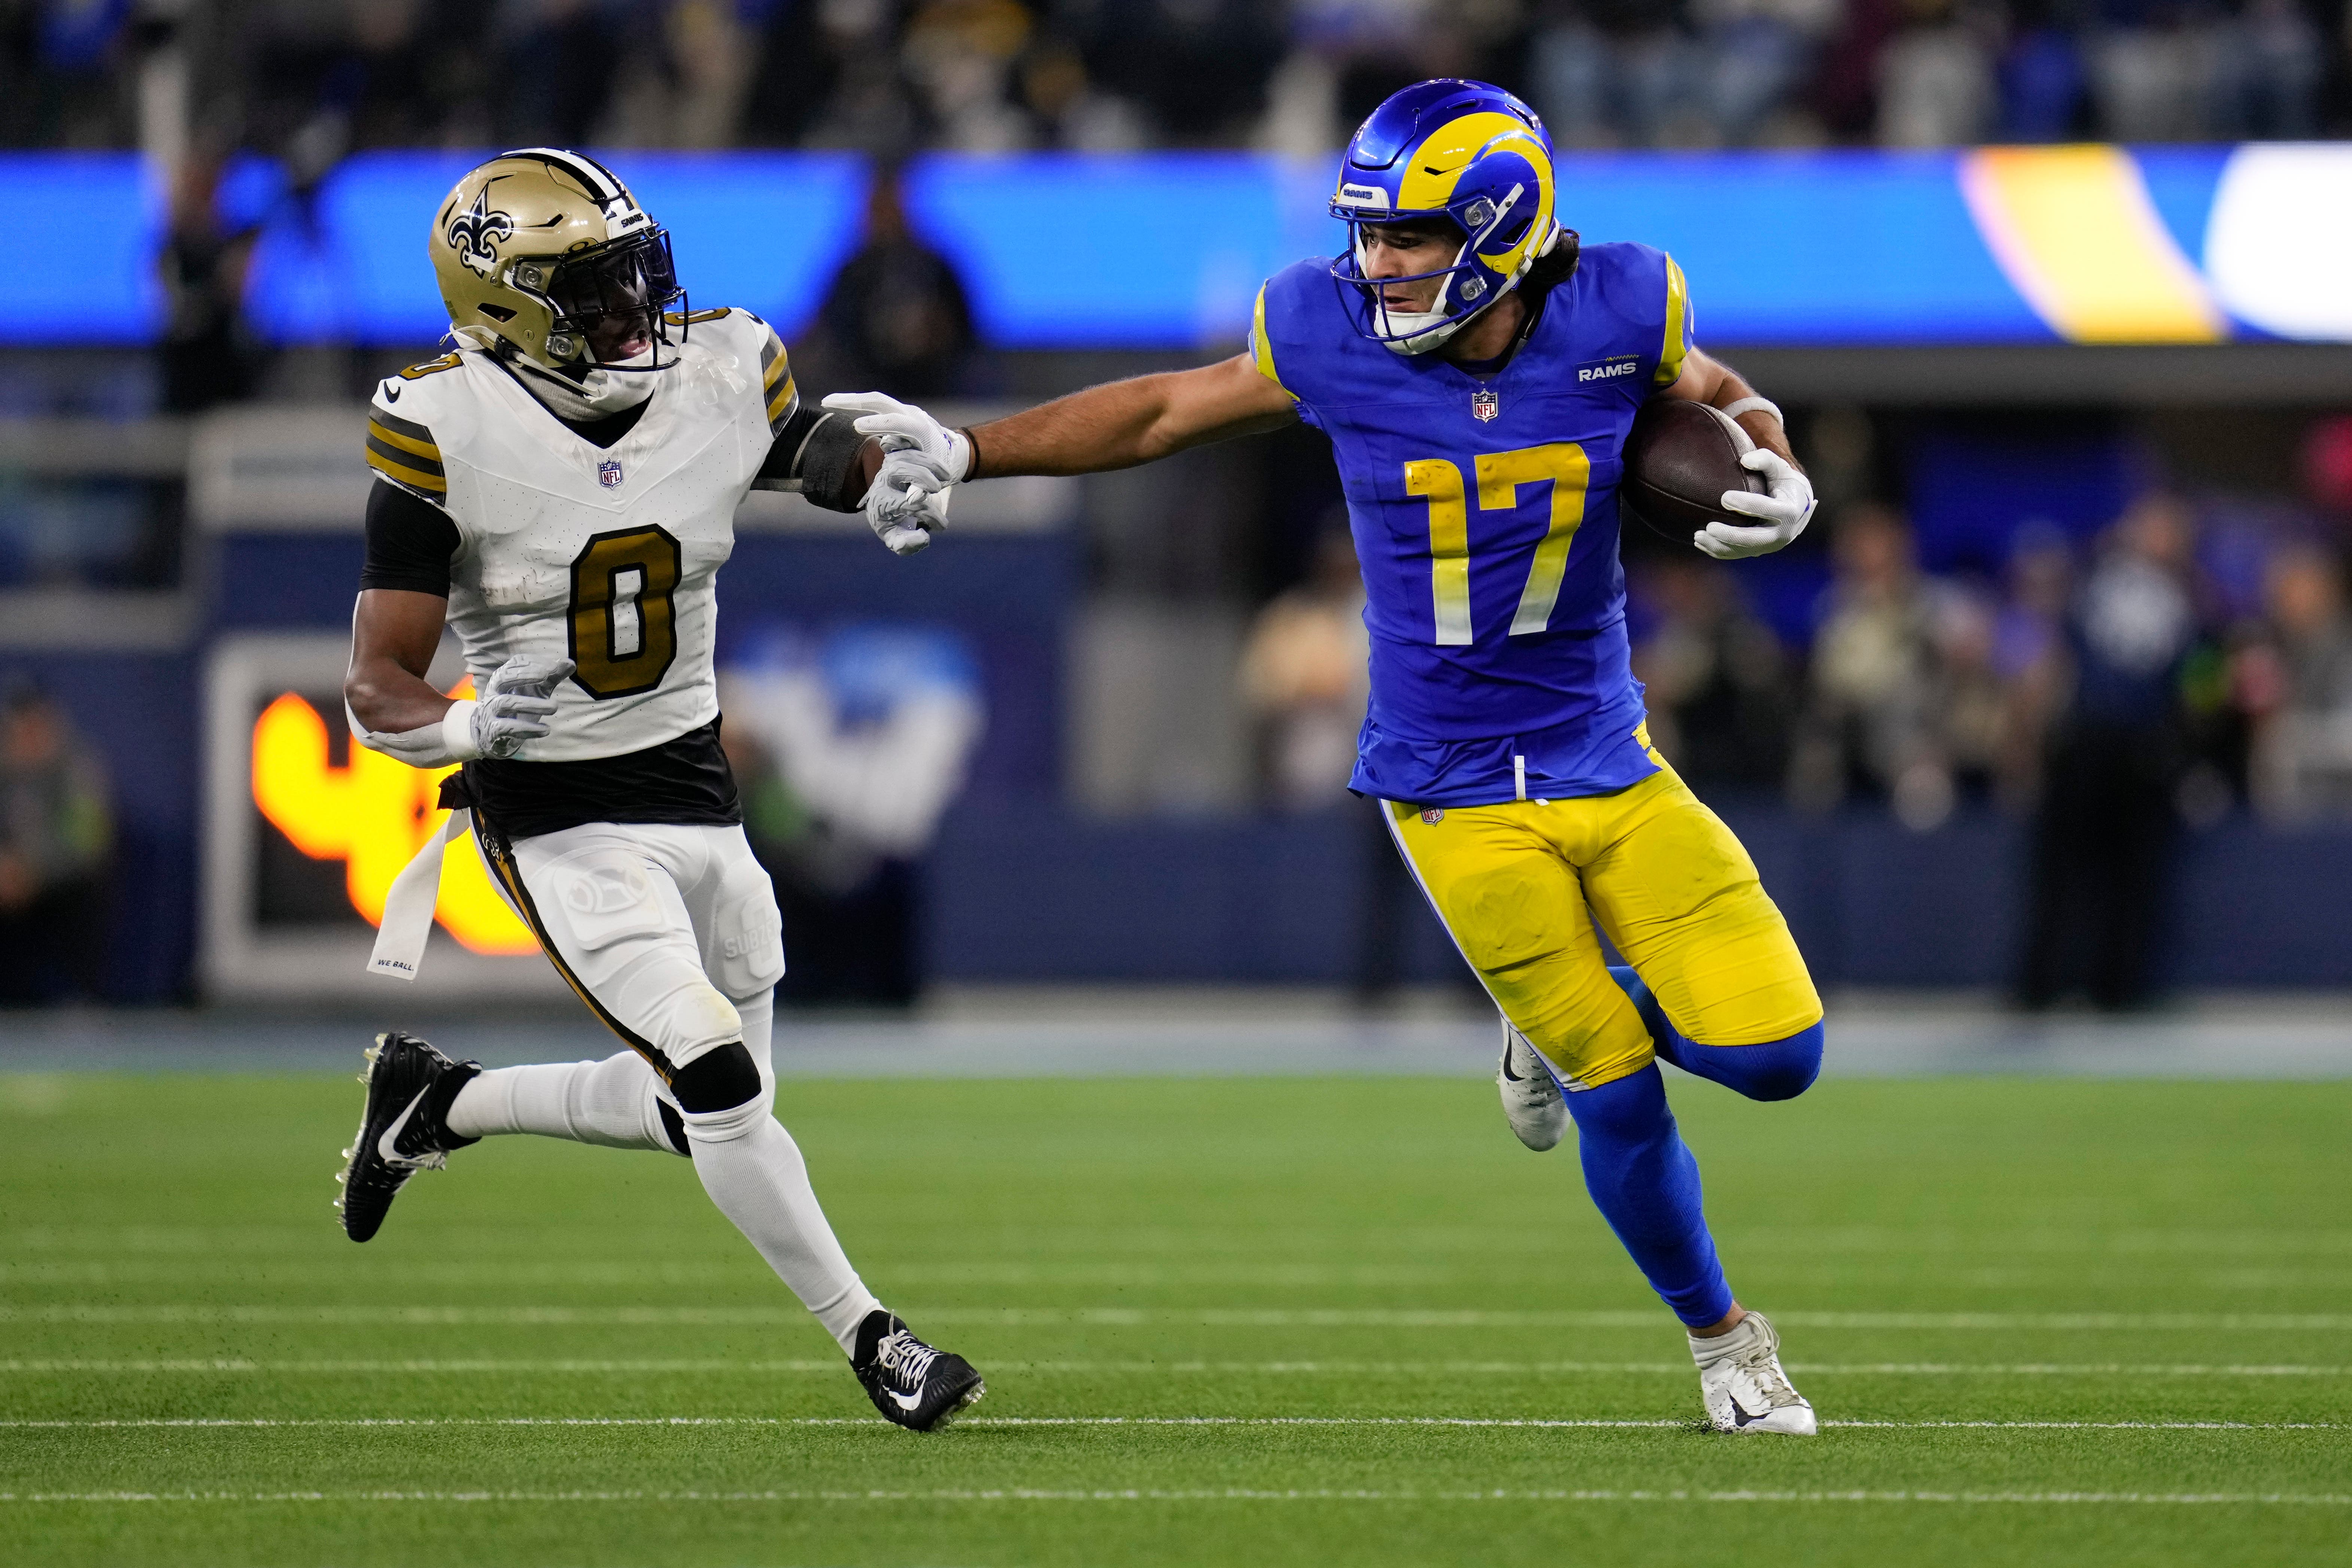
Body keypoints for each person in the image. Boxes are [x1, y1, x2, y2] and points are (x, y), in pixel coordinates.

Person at [842, 80, 1827, 1434]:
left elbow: (1716, 393)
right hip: (1451, 789)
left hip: (1610, 756)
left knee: (1781, 1054)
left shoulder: (1622, 304)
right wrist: (970, 446)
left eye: (1412, 237)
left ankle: (1550, 1030)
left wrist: (1773, 453)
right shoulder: (1323, 325)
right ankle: (1726, 1347)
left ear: (1499, 228)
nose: (1379, 263)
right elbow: (1161, 413)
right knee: (1621, 1096)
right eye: (1369, 233)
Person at [334, 148, 980, 1431]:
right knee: (717, 1075)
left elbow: (802, 446)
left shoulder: (720, 364)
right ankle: (876, 1338)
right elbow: (376, 681)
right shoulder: (443, 423)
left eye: (639, 272)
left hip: (695, 781)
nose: (639, 306)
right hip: (555, 805)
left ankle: (440, 1097)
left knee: (705, 1109)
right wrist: (459, 724)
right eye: (597, 286)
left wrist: (889, 465)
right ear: (506, 302)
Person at [0, 685, 112, 1005]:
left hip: (55, 884)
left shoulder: (77, 772)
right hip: (7, 882)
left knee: (88, 889)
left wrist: (34, 872)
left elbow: (88, 843)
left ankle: (79, 996)